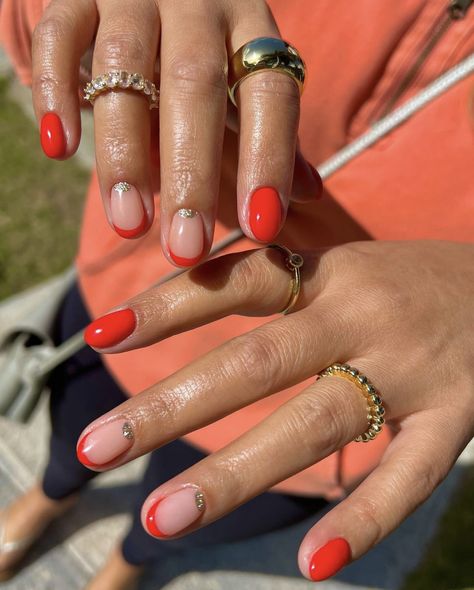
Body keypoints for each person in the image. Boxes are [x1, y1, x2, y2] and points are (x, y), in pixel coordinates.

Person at [1, 0, 473, 587]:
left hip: (347, 375)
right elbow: (37, 26)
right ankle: (50, 495)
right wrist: (103, 24)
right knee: (78, 433)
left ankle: (128, 561)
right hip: (149, 287)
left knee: (194, 511)